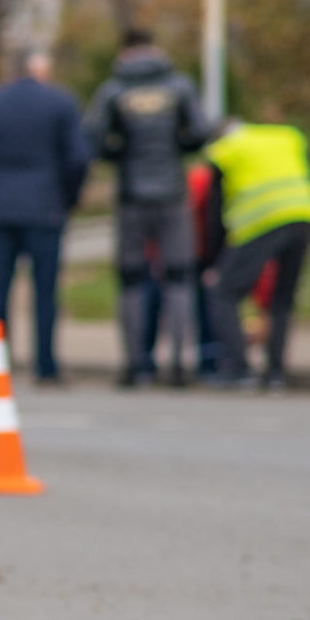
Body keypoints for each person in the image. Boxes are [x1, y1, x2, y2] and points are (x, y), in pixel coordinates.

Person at [0, 49, 91, 384]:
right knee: (45, 292)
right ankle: (45, 365)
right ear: (40, 70)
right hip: (46, 208)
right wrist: (67, 197)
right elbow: (78, 158)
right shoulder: (61, 103)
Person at [86, 29, 212, 388]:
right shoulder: (180, 86)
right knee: (179, 277)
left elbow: (93, 137)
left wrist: (121, 155)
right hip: (173, 195)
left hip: (131, 196)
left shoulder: (113, 90)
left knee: (131, 280)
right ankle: (178, 363)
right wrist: (177, 148)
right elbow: (201, 132)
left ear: (124, 51)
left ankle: (136, 363)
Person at [202, 113, 310, 392]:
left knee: (224, 292)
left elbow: (215, 211)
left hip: (261, 222)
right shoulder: (285, 136)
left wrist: (215, 260)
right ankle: (276, 372)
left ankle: (238, 368)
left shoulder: (226, 150)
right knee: (282, 298)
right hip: (303, 216)